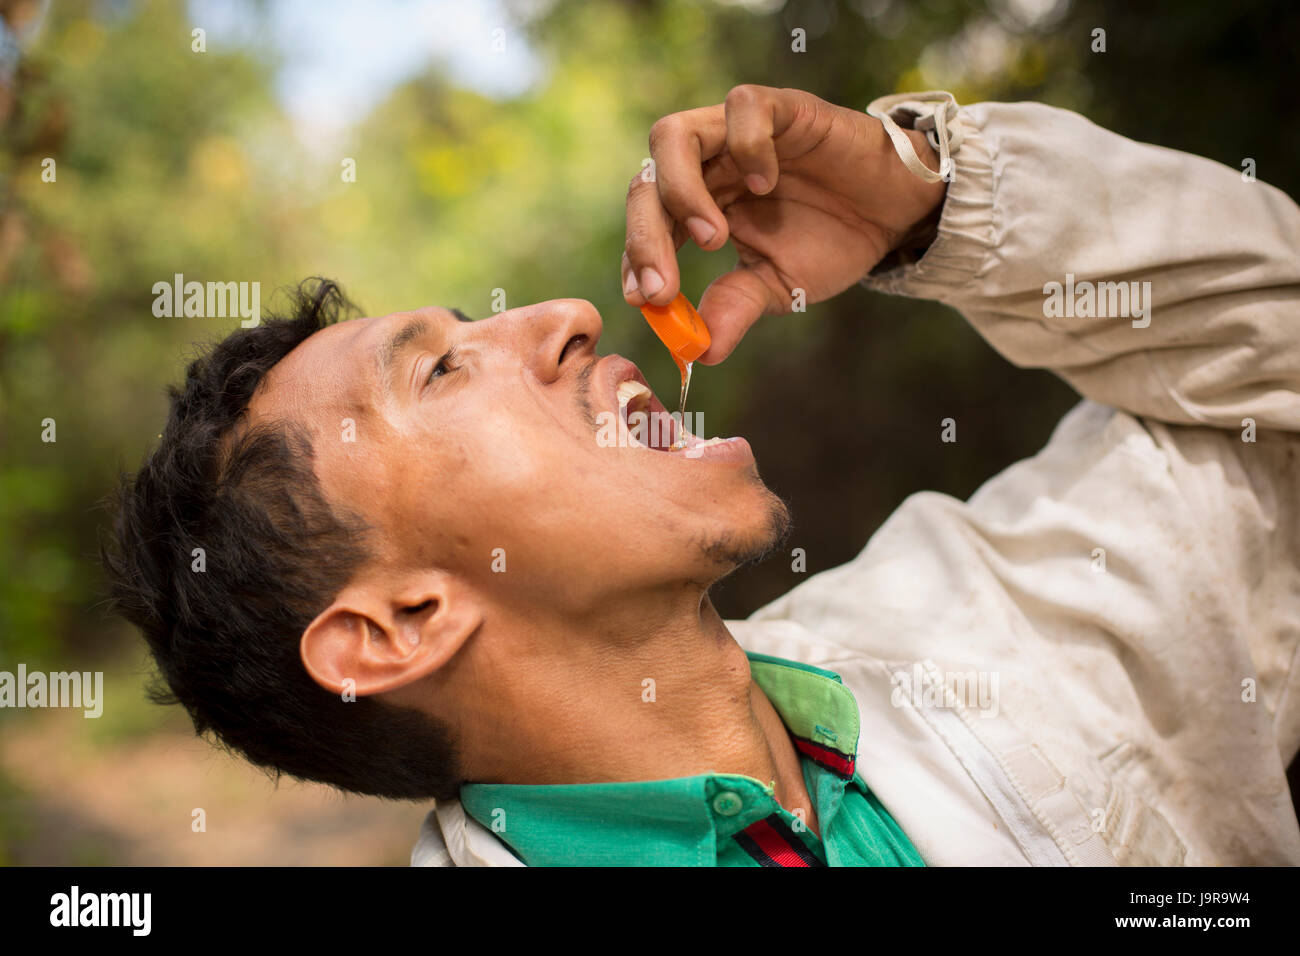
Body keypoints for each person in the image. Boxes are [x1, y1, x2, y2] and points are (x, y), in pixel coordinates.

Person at [104, 85, 1300, 867]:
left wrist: (930, 211)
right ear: (399, 622)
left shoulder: (1005, 607)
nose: (571, 315)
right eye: (442, 371)